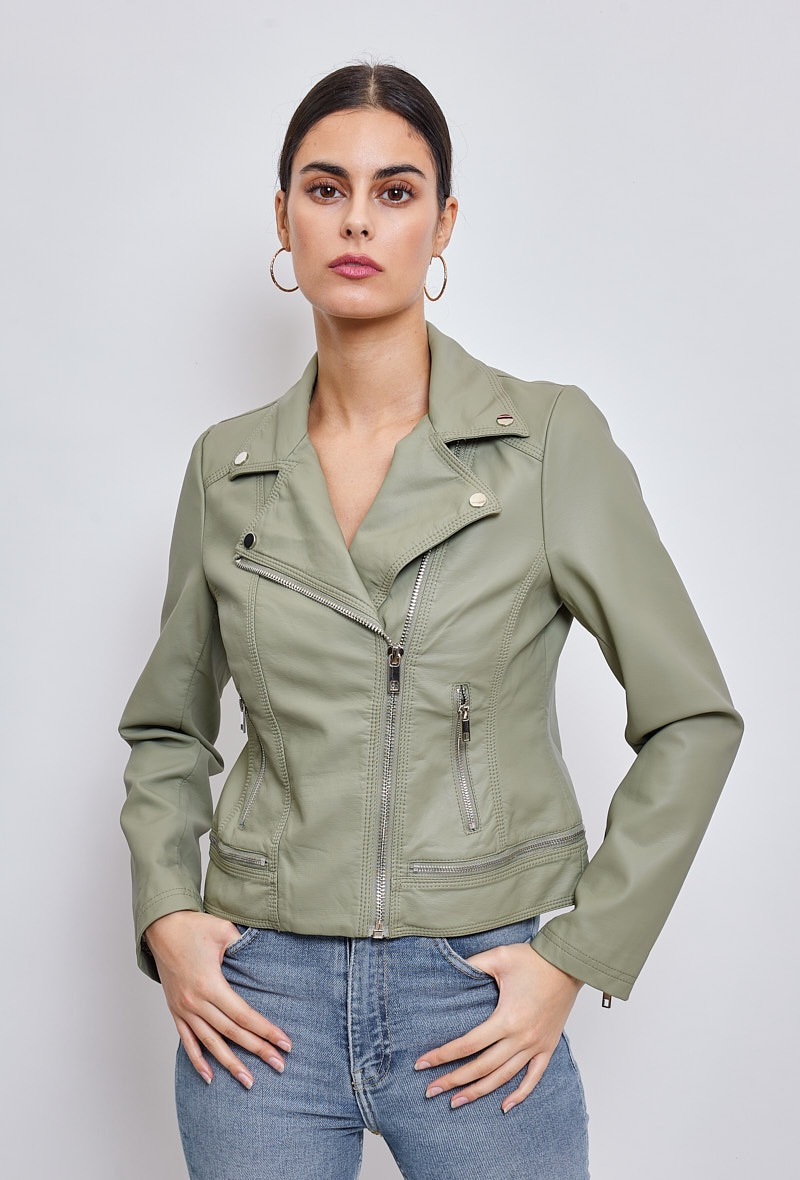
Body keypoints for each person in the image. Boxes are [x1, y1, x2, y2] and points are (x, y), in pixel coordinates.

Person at [119, 62, 743, 1180]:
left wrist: (576, 954)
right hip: (259, 1006)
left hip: (475, 1002)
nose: (358, 220)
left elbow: (692, 718)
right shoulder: (227, 467)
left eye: (395, 191)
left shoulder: (545, 445)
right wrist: (167, 909)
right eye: (326, 189)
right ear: (283, 218)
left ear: (443, 222)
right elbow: (168, 727)